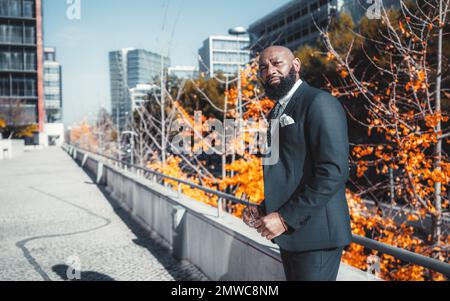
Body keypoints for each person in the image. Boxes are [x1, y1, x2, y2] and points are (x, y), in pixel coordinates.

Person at [243, 46, 352, 281]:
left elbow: (333, 172)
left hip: (318, 237)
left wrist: (284, 218)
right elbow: (292, 171)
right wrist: (264, 208)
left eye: (276, 63)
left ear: (296, 65)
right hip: (292, 235)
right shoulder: (275, 112)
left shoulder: (319, 102)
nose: (270, 70)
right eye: (263, 67)